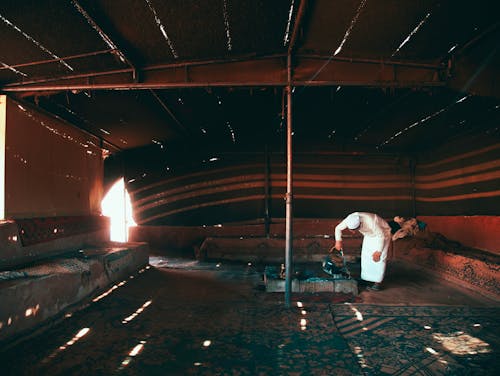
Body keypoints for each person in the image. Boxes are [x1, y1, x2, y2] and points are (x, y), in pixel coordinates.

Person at [333, 212, 391, 291]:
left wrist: (378, 251)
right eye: (351, 230)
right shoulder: (350, 219)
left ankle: (377, 283)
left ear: (360, 223)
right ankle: (368, 279)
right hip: (369, 235)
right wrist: (338, 241)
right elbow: (338, 228)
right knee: (366, 257)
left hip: (382, 234)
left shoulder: (371, 222)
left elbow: (381, 236)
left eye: (355, 230)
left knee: (378, 259)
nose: (353, 232)